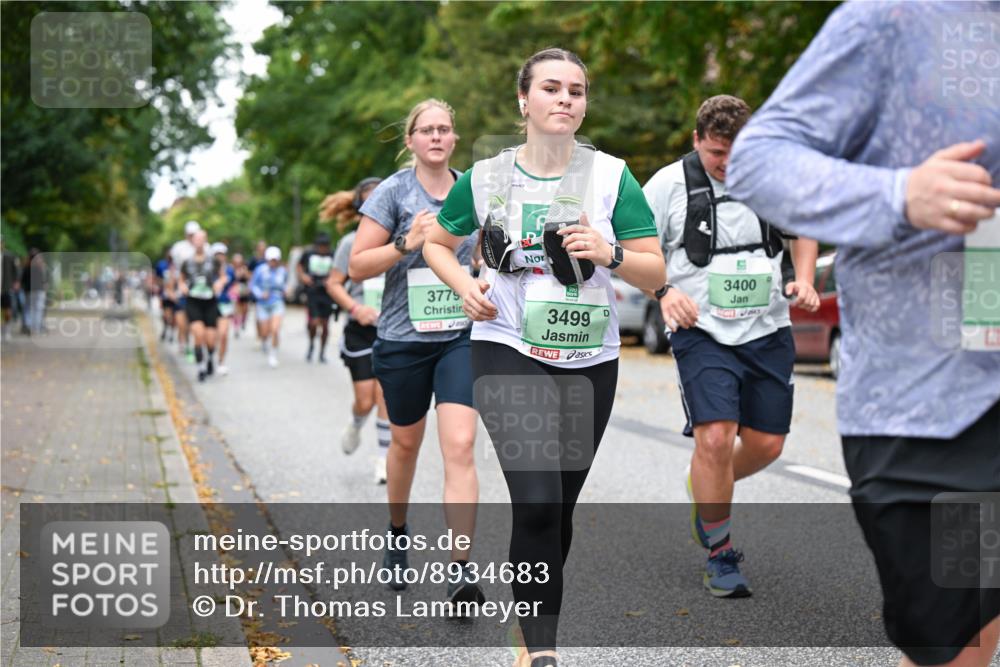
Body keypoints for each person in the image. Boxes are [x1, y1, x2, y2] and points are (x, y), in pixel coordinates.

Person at [725, 3, 1000, 666]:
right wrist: (900, 195)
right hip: (941, 405)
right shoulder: (893, 19)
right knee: (958, 646)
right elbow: (759, 162)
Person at [425, 48, 666, 667]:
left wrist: (608, 252)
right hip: (506, 343)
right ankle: (541, 652)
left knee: (558, 509)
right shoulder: (485, 177)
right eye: (552, 88)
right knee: (534, 500)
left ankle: (531, 614)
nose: (565, 99)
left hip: (590, 353)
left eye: (577, 91)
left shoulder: (613, 177)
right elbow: (438, 245)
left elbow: (653, 271)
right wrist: (463, 286)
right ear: (523, 101)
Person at [642, 94, 820, 598]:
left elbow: (802, 228)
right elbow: (635, 248)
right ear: (697, 140)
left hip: (767, 329)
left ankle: (704, 484)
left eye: (735, 152)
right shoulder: (668, 185)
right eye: (717, 152)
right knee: (716, 437)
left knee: (767, 444)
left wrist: (803, 278)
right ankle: (720, 555)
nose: (726, 163)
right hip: (702, 331)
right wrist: (663, 292)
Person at [349, 99, 485, 609]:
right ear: (410, 141)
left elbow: (487, 250)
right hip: (404, 340)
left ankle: (460, 569)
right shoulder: (393, 192)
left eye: (444, 129)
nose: (435, 137)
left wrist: (485, 271)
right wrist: (407, 242)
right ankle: (398, 529)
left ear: (454, 138)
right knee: (405, 446)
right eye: (425, 130)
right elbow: (359, 266)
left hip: (460, 337)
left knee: (460, 443)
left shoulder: (473, 187)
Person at [325, 177, 391, 483]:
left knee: (385, 396)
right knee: (365, 400)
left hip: (392, 327)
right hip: (360, 329)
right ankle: (355, 423)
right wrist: (355, 308)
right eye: (370, 200)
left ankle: (383, 460)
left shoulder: (400, 239)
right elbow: (333, 284)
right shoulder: (350, 243)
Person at [178, 231, 226, 382]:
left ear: (205, 241)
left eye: (201, 239)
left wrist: (220, 283)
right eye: (196, 239)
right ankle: (201, 368)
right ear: (193, 241)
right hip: (193, 301)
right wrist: (182, 287)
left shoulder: (213, 260)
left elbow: (223, 276)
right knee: (198, 334)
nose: (198, 242)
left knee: (211, 339)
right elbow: (180, 279)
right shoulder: (187, 261)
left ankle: (210, 357)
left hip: (210, 301)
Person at [298, 232, 336, 363]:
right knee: (313, 322)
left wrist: (331, 279)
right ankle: (311, 344)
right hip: (312, 292)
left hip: (327, 293)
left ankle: (322, 352)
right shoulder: (308, 253)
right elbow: (299, 266)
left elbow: (338, 270)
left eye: (325, 246)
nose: (322, 249)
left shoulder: (332, 254)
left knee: (325, 325)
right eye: (320, 246)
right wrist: (303, 277)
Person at [251, 245, 287, 368]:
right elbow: (253, 285)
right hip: (263, 304)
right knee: (265, 331)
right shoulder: (260, 270)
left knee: (275, 329)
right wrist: (260, 294)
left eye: (275, 260)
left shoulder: (282, 271)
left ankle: (273, 354)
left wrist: (286, 290)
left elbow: (286, 285)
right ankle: (264, 342)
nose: (273, 262)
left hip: (277, 302)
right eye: (271, 259)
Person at [171, 220, 201, 362]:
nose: (192, 237)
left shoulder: (205, 247)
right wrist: (172, 287)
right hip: (182, 290)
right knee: (183, 322)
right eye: (190, 234)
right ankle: (184, 342)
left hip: (199, 291)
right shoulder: (178, 248)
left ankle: (195, 347)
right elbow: (173, 269)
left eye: (194, 234)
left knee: (195, 322)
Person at [212, 243, 236, 376]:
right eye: (217, 254)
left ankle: (221, 362)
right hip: (209, 305)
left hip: (225, 305)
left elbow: (233, 285)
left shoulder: (230, 270)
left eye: (222, 254)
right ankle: (210, 356)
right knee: (212, 336)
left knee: (223, 334)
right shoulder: (207, 269)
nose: (220, 257)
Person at [247, 240, 268, 348]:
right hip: (257, 290)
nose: (262, 249)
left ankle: (265, 334)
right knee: (258, 314)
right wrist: (253, 279)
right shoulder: (254, 260)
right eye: (261, 247)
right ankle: (259, 335)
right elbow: (247, 271)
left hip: (268, 291)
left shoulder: (269, 259)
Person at [154, 249, 176, 342]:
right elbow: (157, 278)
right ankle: (165, 328)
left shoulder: (177, 265)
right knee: (166, 314)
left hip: (176, 293)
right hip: (165, 293)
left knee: (175, 315)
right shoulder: (161, 265)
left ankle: (171, 331)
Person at [1, 241, 19, 341]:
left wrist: (16, 282)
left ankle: (7, 331)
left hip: (6, 288)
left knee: (7, 311)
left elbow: (15, 270)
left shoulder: (9, 256)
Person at [231, 253, 252, 337]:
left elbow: (249, 278)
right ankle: (236, 327)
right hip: (235, 292)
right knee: (236, 310)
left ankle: (243, 321)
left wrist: (245, 273)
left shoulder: (245, 268)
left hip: (244, 291)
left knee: (245, 309)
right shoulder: (232, 269)